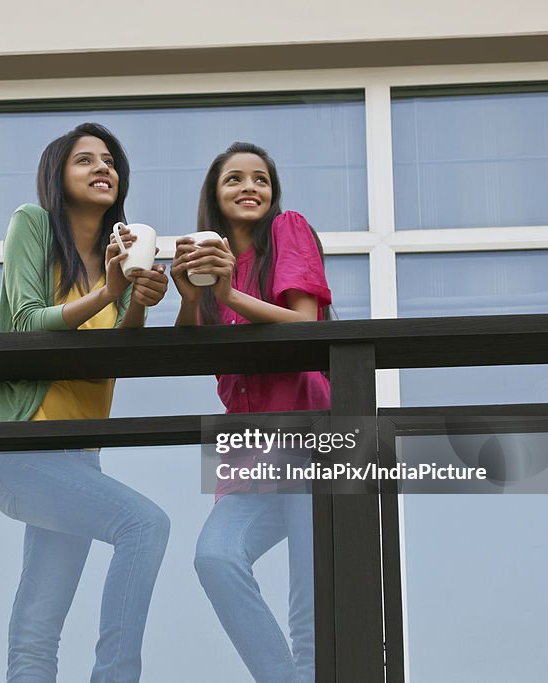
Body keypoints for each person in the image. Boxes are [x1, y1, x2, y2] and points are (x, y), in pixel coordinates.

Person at [0, 122, 171, 683]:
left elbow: (118, 356)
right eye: (85, 160)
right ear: (57, 177)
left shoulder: (126, 253)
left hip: (77, 458)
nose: (103, 168)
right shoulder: (31, 225)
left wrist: (140, 298)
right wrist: (108, 291)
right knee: (144, 525)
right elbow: (29, 321)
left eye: (110, 161)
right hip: (16, 446)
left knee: (40, 620)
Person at [171, 142, 331, 683]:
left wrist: (229, 293)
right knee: (215, 558)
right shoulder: (212, 264)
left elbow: (306, 325)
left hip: (313, 439)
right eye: (234, 179)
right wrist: (190, 295)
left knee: (311, 595)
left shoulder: (288, 227)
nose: (249, 188)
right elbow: (187, 351)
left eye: (260, 178)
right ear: (214, 197)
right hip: (249, 454)